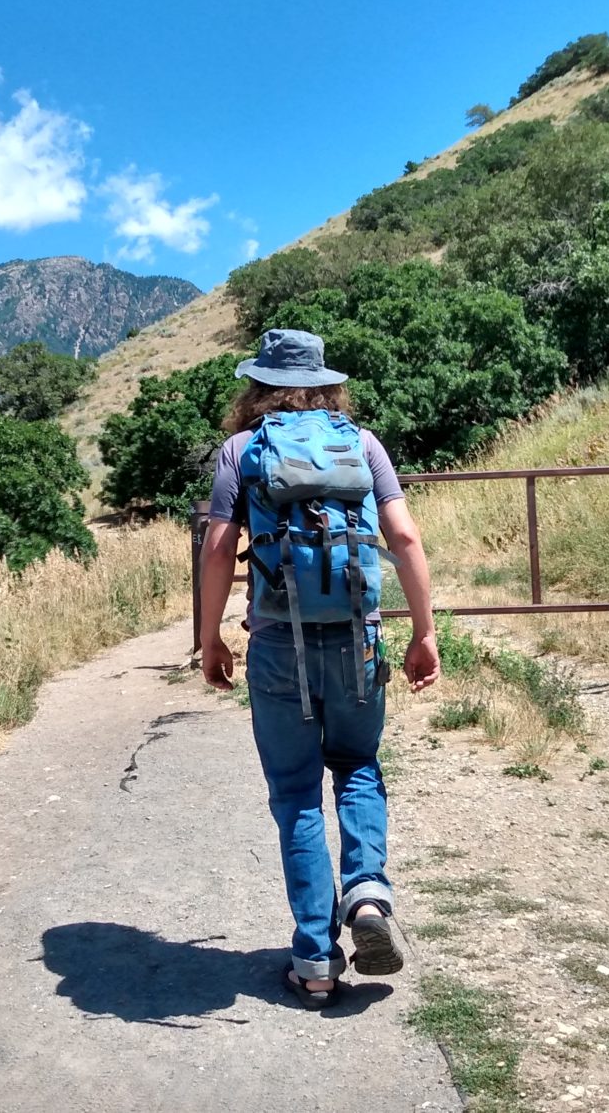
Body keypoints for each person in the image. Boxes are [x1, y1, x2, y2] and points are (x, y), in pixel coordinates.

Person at [198, 328, 441, 1009]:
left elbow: (219, 551)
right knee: (358, 765)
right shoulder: (361, 445)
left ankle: (314, 961)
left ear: (258, 387)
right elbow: (405, 537)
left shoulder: (243, 452)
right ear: (328, 383)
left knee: (298, 793)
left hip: (279, 643)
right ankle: (367, 895)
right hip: (359, 642)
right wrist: (424, 631)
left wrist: (209, 637)